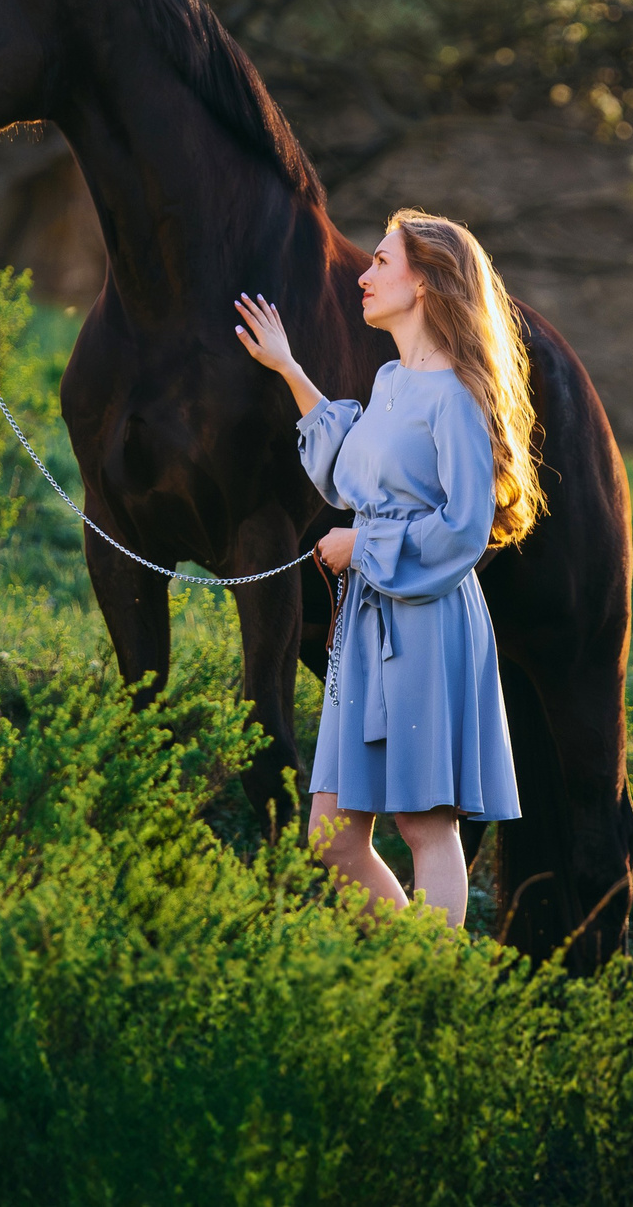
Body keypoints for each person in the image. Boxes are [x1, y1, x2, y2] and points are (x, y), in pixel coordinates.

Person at [232, 210, 542, 927]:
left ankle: (426, 997)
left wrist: (361, 548)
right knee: (332, 837)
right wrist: (289, 368)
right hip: (369, 626)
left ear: (427, 281)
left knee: (425, 826)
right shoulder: (392, 379)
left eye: (380, 262)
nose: (363, 276)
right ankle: (412, 971)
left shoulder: (459, 396)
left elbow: (465, 527)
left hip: (428, 623)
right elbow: (348, 473)